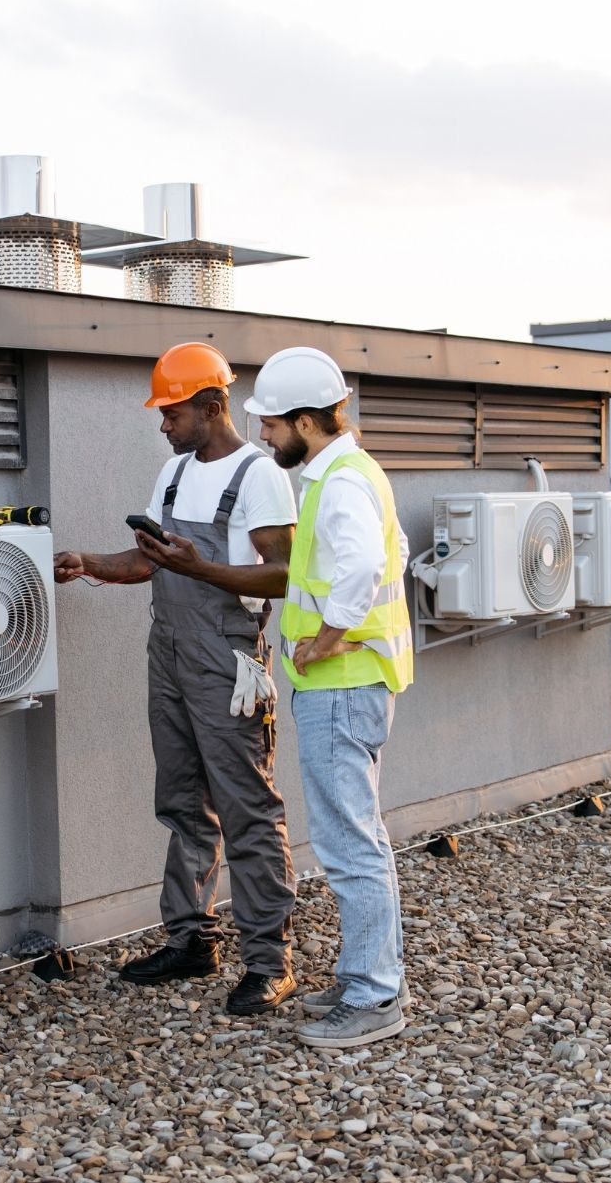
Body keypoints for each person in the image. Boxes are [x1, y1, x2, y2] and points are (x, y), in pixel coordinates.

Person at [52, 342, 301, 1016]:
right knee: (184, 798)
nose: (163, 425)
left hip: (226, 653)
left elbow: (286, 575)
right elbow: (150, 560)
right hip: (168, 648)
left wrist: (200, 569)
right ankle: (192, 937)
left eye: (171, 412)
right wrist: (90, 563)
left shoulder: (259, 476)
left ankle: (269, 960)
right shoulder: (174, 473)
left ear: (212, 406)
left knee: (246, 803)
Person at [243, 346, 415, 1049]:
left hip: (341, 689)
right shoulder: (350, 471)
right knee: (359, 835)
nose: (264, 436)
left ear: (306, 421)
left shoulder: (338, 481)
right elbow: (397, 550)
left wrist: (326, 638)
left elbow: (370, 565)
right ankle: (365, 975)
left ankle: (375, 996)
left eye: (272, 425)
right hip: (353, 685)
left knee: (349, 843)